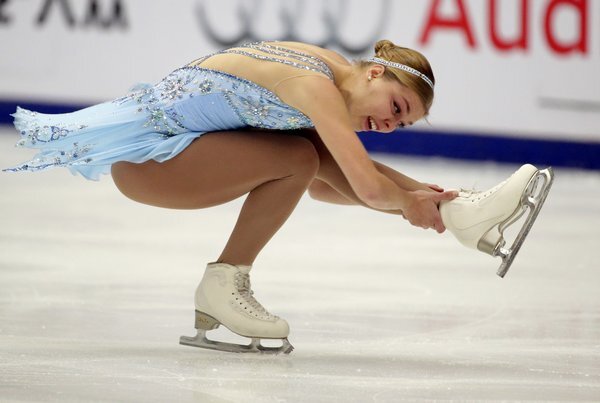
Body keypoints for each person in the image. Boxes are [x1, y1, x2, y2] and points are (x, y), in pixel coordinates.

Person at [3, 40, 553, 354]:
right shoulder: (314, 85)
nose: (388, 125)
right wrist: (402, 204)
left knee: (306, 153)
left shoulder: (328, 71)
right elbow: (358, 183)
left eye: (400, 124)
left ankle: (463, 212)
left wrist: (417, 199)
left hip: (180, 148)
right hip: (151, 159)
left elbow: (328, 184)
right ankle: (224, 282)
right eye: (396, 107)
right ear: (377, 71)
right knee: (297, 155)